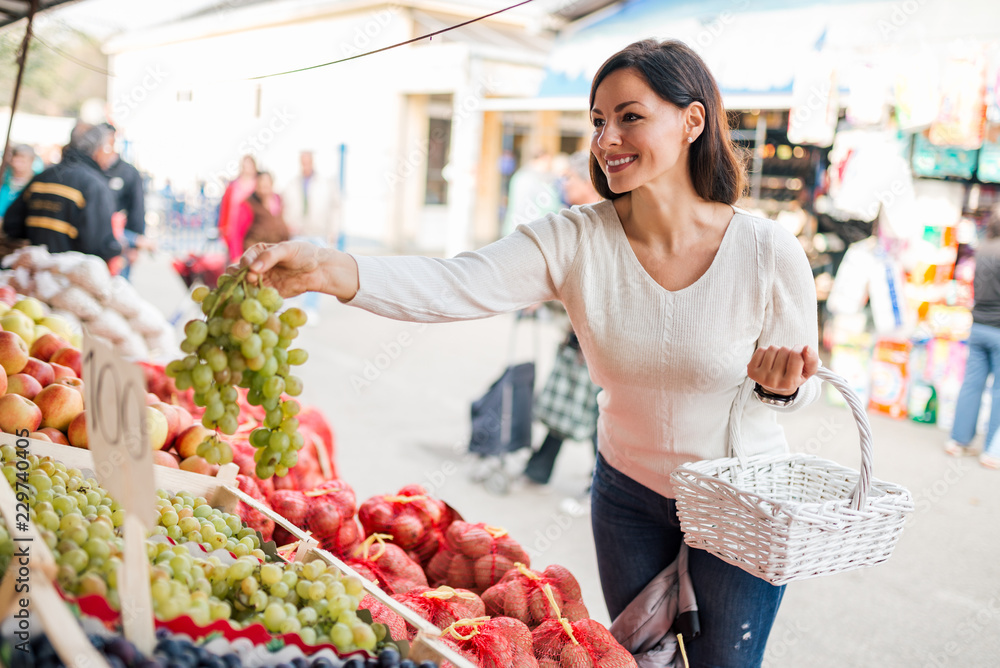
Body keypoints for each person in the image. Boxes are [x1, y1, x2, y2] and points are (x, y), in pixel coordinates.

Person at [233, 39, 819, 667]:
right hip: (629, 495)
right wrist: (330, 266)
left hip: (740, 504)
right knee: (643, 659)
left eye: (630, 116)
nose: (607, 138)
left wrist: (782, 384)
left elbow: (805, 387)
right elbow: (453, 283)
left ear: (693, 121)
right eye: (598, 121)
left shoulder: (766, 251)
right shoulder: (575, 240)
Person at [522, 151, 604, 494]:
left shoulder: (605, 224)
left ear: (588, 182)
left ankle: (601, 479)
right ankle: (542, 468)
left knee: (601, 414)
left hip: (599, 341)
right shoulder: (573, 220)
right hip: (579, 337)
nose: (564, 185)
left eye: (569, 178)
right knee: (575, 405)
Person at [3, 123, 121, 263]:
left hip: (35, 273)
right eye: (109, 148)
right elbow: (98, 245)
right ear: (98, 150)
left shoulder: (43, 177)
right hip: (69, 277)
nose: (111, 155)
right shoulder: (94, 185)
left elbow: (11, 225)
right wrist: (119, 248)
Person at [946, 204, 1000, 470]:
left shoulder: (983, 249)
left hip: (978, 325)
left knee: (972, 384)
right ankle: (993, 451)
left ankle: (958, 440)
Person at [282, 150, 342, 321]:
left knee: (316, 270)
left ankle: (311, 307)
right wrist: (288, 224)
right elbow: (285, 206)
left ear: (313, 162)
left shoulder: (326, 183)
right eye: (303, 161)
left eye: (308, 161)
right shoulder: (293, 183)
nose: (305, 164)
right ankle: (293, 303)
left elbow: (335, 208)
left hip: (318, 233)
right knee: (294, 268)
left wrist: (333, 231)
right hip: (298, 232)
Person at [100, 124, 154, 279]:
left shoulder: (128, 172)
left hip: (122, 242)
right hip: (99, 241)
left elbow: (137, 208)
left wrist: (134, 246)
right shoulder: (94, 169)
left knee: (120, 287)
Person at [500, 150, 562, 238]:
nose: (549, 166)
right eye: (548, 162)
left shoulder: (520, 176)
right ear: (541, 159)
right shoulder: (530, 179)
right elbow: (549, 206)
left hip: (516, 228)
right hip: (524, 230)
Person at [231, 171, 289, 254]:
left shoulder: (277, 200)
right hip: (255, 253)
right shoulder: (248, 204)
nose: (265, 186)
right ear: (256, 185)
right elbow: (236, 232)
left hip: (275, 252)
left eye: (267, 183)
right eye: (262, 183)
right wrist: (236, 255)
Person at [219, 154, 259, 261]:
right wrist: (224, 228)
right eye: (245, 166)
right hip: (234, 226)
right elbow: (226, 208)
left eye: (250, 165)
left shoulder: (259, 184)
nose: (247, 168)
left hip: (254, 226)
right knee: (235, 257)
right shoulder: (233, 186)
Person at [0, 144, 41, 218]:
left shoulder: (37, 183)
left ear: (32, 161)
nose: (17, 165)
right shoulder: (4, 179)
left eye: (22, 162)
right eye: (15, 161)